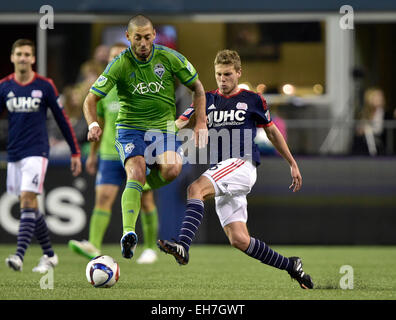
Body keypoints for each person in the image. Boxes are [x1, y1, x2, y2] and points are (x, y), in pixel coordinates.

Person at [158, 49, 314, 290]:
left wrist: (292, 163)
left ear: (239, 73)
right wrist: (158, 132)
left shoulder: (253, 99)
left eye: (228, 74)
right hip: (223, 171)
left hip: (242, 164)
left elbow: (272, 132)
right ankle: (291, 265)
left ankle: (183, 245)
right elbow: (179, 123)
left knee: (195, 188)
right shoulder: (206, 99)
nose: (223, 79)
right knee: (239, 239)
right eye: (219, 74)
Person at [83, 15, 207, 260]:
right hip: (130, 129)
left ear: (154, 36)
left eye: (147, 37)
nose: (142, 42)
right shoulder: (119, 63)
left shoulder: (170, 58)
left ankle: (141, 187)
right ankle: (128, 233)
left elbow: (198, 88)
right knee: (136, 172)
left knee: (173, 169)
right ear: (128, 37)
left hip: (162, 128)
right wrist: (93, 124)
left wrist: (201, 122)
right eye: (137, 37)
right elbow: (90, 99)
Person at [69, 42, 159, 264]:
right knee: (103, 199)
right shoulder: (104, 90)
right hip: (110, 153)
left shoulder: (143, 87)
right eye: (111, 58)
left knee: (146, 199)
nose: (114, 61)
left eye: (119, 56)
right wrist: (92, 155)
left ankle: (149, 248)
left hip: (138, 152)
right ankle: (93, 245)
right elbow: (99, 121)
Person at [0, 39, 82, 273]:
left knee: (27, 199)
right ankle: (50, 255)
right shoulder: (4, 87)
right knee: (31, 206)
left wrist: (75, 151)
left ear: (33, 59)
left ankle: (19, 256)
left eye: (27, 54)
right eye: (19, 54)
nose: (23, 58)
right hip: (14, 153)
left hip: (37, 152)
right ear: (12, 57)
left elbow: (62, 118)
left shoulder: (45, 86)